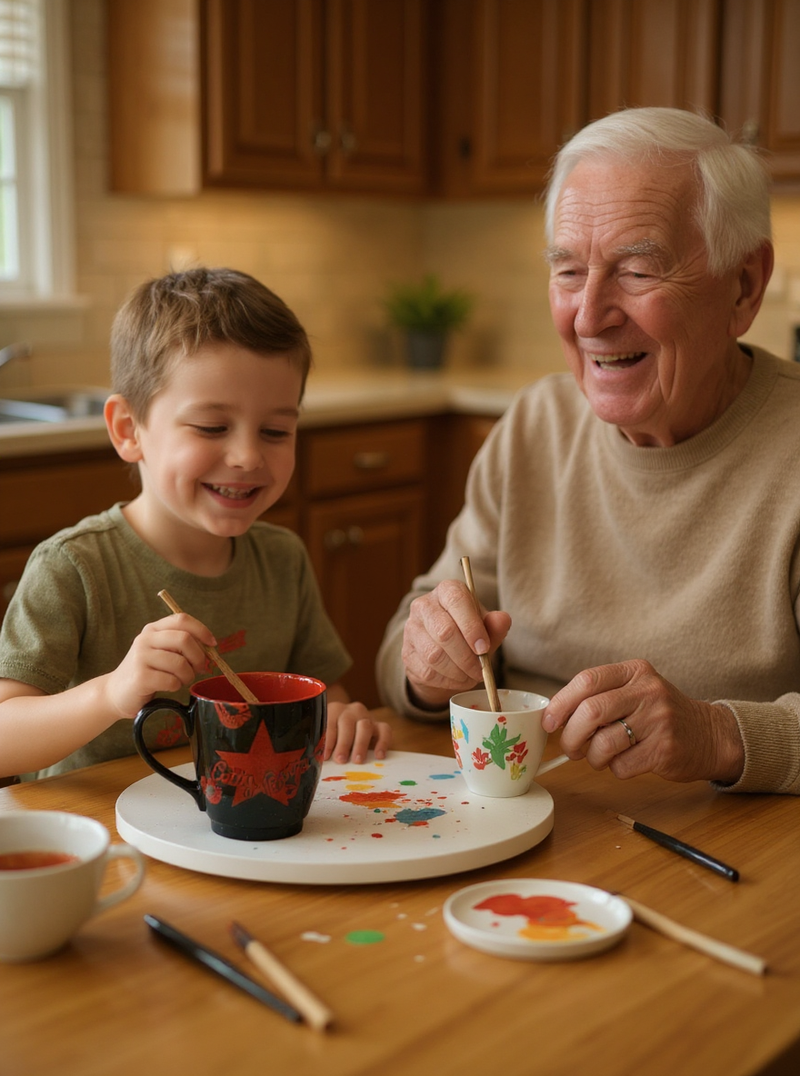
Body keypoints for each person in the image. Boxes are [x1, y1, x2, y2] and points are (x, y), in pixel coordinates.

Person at [376, 106, 800, 796]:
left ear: (744, 287)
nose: (589, 315)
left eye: (637, 271)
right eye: (568, 272)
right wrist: (427, 666)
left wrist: (718, 734)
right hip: (538, 820)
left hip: (727, 848)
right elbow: (405, 645)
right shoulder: (535, 426)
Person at [0, 268, 391, 780]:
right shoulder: (73, 568)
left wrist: (340, 717)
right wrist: (111, 692)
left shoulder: (282, 559)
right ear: (127, 429)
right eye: (212, 427)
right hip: (113, 844)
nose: (248, 456)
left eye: (275, 431)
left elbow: (324, 691)